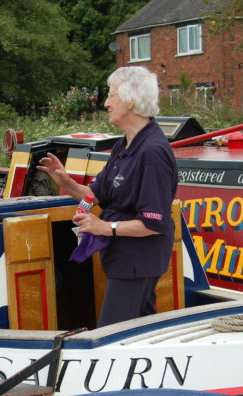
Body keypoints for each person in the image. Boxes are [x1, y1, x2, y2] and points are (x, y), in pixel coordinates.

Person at [37, 66, 178, 326]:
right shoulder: (124, 145)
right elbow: (95, 195)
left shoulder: (153, 153)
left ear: (131, 100)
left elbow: (153, 223)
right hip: (124, 259)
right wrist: (66, 182)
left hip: (137, 261)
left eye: (112, 95)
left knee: (111, 333)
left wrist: (105, 227)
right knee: (139, 330)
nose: (106, 103)